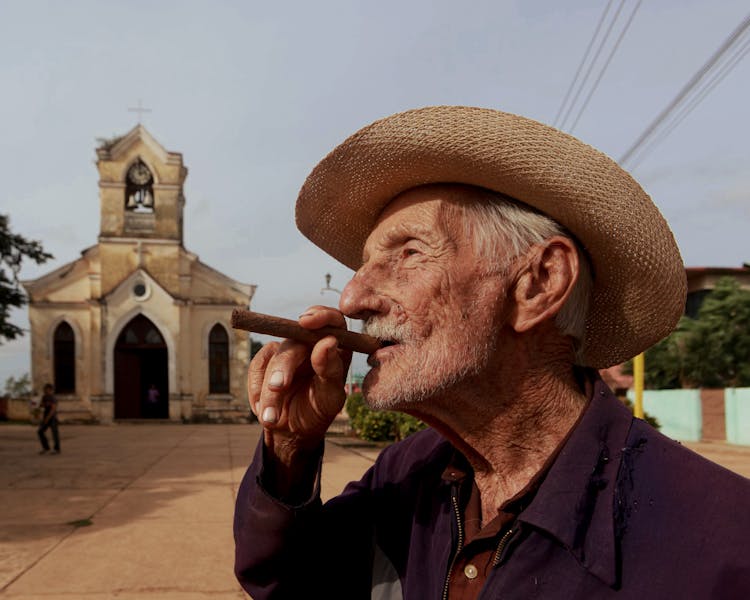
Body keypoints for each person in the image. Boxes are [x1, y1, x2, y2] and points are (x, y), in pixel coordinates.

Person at [233, 107, 750, 599]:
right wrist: (289, 447)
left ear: (539, 284)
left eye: (409, 252)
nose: (351, 300)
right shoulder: (406, 476)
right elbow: (293, 584)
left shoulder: (723, 548)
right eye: (366, 264)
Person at [37, 383, 60, 455]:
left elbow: (53, 410)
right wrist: (43, 404)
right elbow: (41, 405)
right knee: (40, 431)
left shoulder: (53, 398)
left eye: (46, 389)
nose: (44, 390)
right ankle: (46, 448)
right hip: (45, 417)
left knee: (54, 433)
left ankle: (57, 449)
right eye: (44, 389)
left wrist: (47, 419)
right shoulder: (44, 397)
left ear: (50, 390)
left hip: (52, 418)